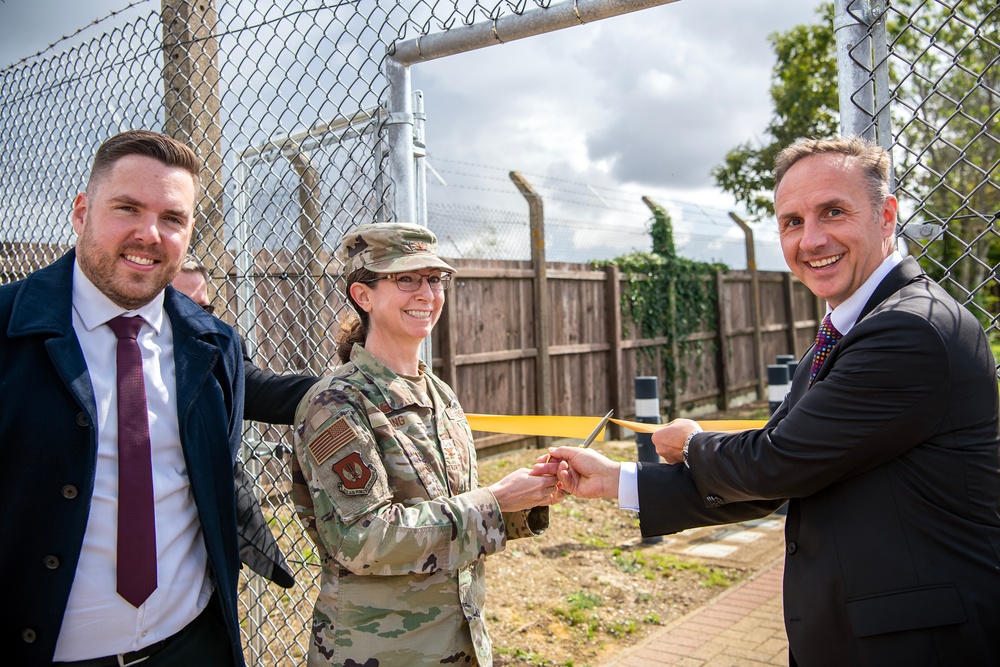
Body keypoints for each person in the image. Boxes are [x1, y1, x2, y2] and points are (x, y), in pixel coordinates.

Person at [536, 136, 1000, 666]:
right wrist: (616, 479)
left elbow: (775, 464)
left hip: (921, 644)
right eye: (791, 222)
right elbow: (782, 475)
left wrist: (693, 444)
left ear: (886, 215)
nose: (812, 239)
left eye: (833, 212)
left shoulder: (906, 331)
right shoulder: (848, 331)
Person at [1, 130, 247, 666]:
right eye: (127, 208)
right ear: (82, 211)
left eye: (172, 218)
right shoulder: (7, 332)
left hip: (192, 646)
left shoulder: (215, 345)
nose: (149, 233)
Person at [292, 222, 560, 666]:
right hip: (380, 652)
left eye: (434, 280)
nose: (427, 294)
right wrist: (493, 502)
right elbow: (364, 537)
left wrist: (523, 498)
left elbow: (448, 513)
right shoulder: (336, 404)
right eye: (406, 279)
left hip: (460, 644)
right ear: (364, 296)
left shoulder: (439, 394)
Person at [171, 255, 321, 587]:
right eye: (181, 304)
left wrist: (341, 387)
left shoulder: (216, 346)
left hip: (198, 548)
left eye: (204, 308)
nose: (195, 319)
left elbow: (260, 390)